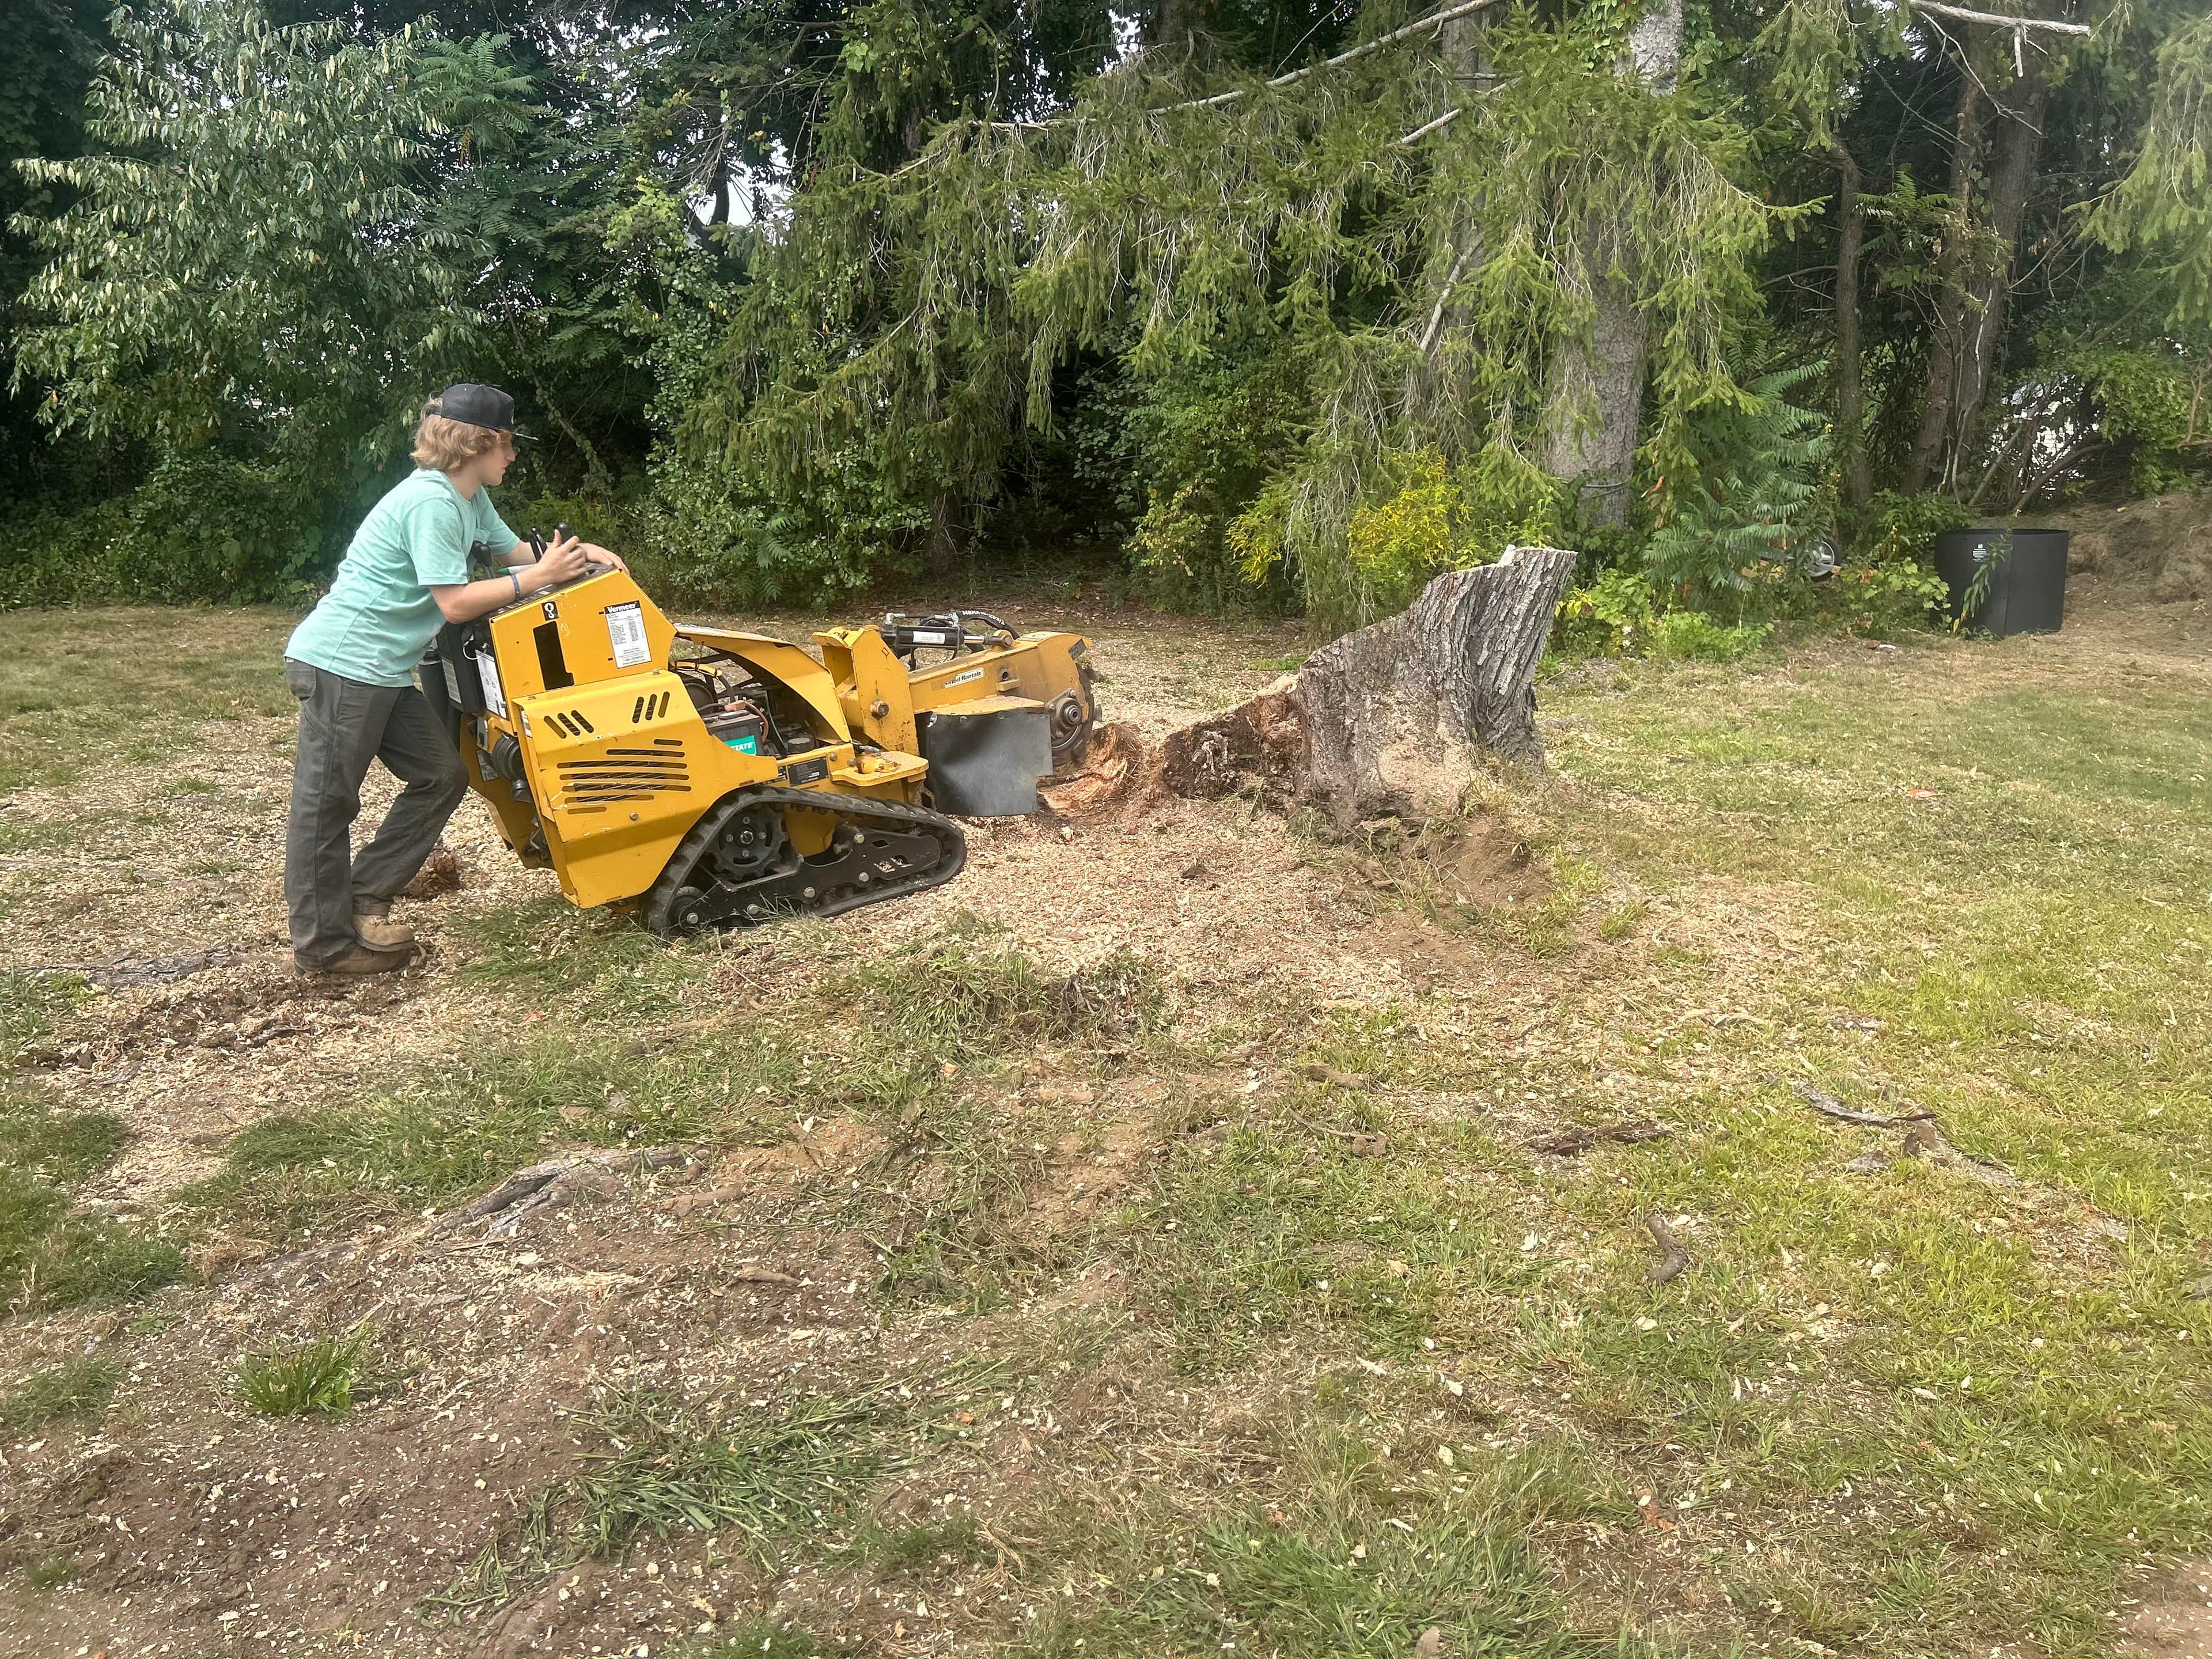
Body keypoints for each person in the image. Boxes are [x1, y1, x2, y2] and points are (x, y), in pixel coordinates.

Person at [281, 382, 625, 975]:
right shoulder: (432, 503)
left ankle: (365, 894)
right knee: (326, 804)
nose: (513, 458)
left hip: (384, 670)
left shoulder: (467, 498)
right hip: (344, 664)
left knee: (443, 775)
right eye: (507, 446)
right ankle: (325, 947)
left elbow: (511, 551)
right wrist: (540, 578)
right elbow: (456, 603)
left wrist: (576, 553)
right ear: (478, 444)